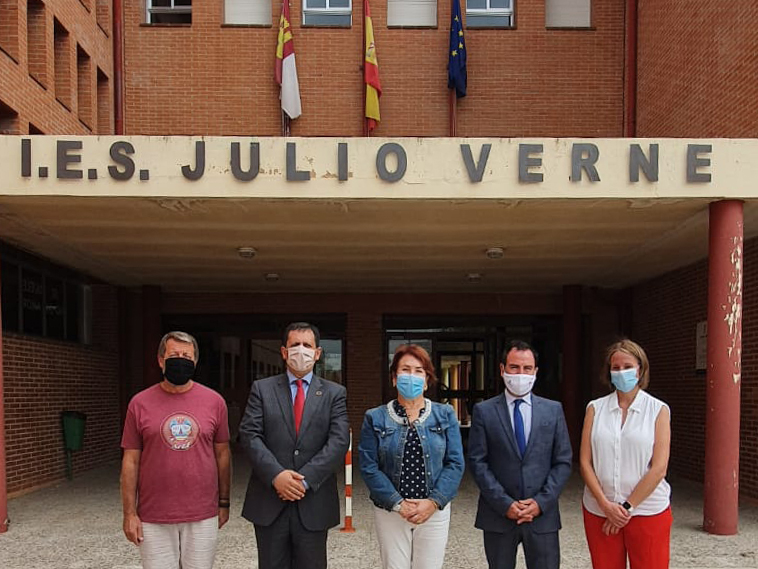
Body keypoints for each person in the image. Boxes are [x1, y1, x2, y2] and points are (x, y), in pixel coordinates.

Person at [239, 322, 349, 569]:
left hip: (314, 502)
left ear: (318, 353)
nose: (301, 350)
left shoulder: (335, 393)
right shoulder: (262, 389)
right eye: (295, 345)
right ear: (284, 351)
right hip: (269, 500)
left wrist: (304, 480)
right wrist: (276, 475)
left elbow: (339, 441)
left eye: (307, 345)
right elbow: (249, 435)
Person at [120, 331, 231, 569]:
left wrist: (224, 503)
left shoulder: (215, 402)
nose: (180, 360)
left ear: (195, 362)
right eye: (174, 355)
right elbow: (130, 461)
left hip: (201, 513)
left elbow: (223, 455)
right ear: (160, 360)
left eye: (186, 356)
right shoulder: (139, 404)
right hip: (153, 515)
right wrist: (129, 513)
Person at [358, 344, 465, 569]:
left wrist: (433, 502)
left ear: (427, 380)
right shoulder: (375, 417)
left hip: (433, 511)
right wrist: (398, 503)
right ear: (395, 378)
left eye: (418, 371)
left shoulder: (445, 414)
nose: (411, 376)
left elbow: (455, 463)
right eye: (405, 370)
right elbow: (369, 466)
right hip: (391, 511)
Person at [468, 340, 572, 569]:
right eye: (514, 367)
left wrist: (541, 502)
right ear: (502, 369)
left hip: (542, 517)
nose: (521, 374)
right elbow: (478, 462)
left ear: (535, 371)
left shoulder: (553, 410)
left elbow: (563, 461)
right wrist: (505, 504)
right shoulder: (484, 411)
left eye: (527, 369)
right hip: (498, 516)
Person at [579, 339, 672, 569]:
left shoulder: (658, 410)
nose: (621, 372)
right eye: (616, 368)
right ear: (609, 372)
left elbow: (659, 468)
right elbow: (584, 462)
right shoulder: (594, 408)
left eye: (627, 366)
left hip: (647, 510)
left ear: (640, 369)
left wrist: (626, 509)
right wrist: (607, 506)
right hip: (599, 510)